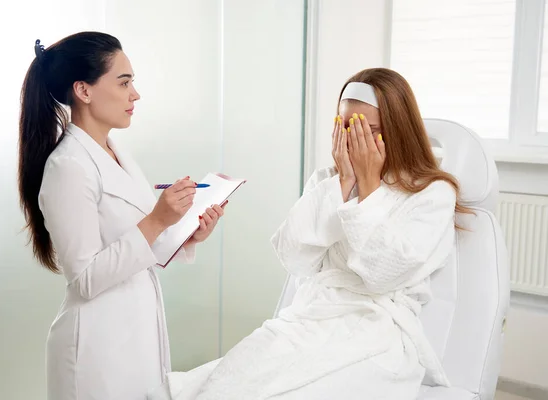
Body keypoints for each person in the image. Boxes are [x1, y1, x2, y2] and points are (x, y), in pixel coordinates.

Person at [148, 68, 472, 400]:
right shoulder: (329, 181)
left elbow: (384, 276)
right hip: (312, 318)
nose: (353, 140)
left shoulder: (432, 192)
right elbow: (294, 258)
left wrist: (370, 185)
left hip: (377, 333)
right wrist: (344, 183)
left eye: (368, 130)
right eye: (346, 128)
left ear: (398, 130)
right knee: (227, 384)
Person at [17, 31, 225, 400]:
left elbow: (140, 246)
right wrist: (159, 219)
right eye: (124, 82)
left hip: (134, 334)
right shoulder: (69, 166)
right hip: (97, 349)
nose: (135, 94)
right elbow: (84, 278)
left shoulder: (116, 153)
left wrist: (187, 231)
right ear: (84, 90)